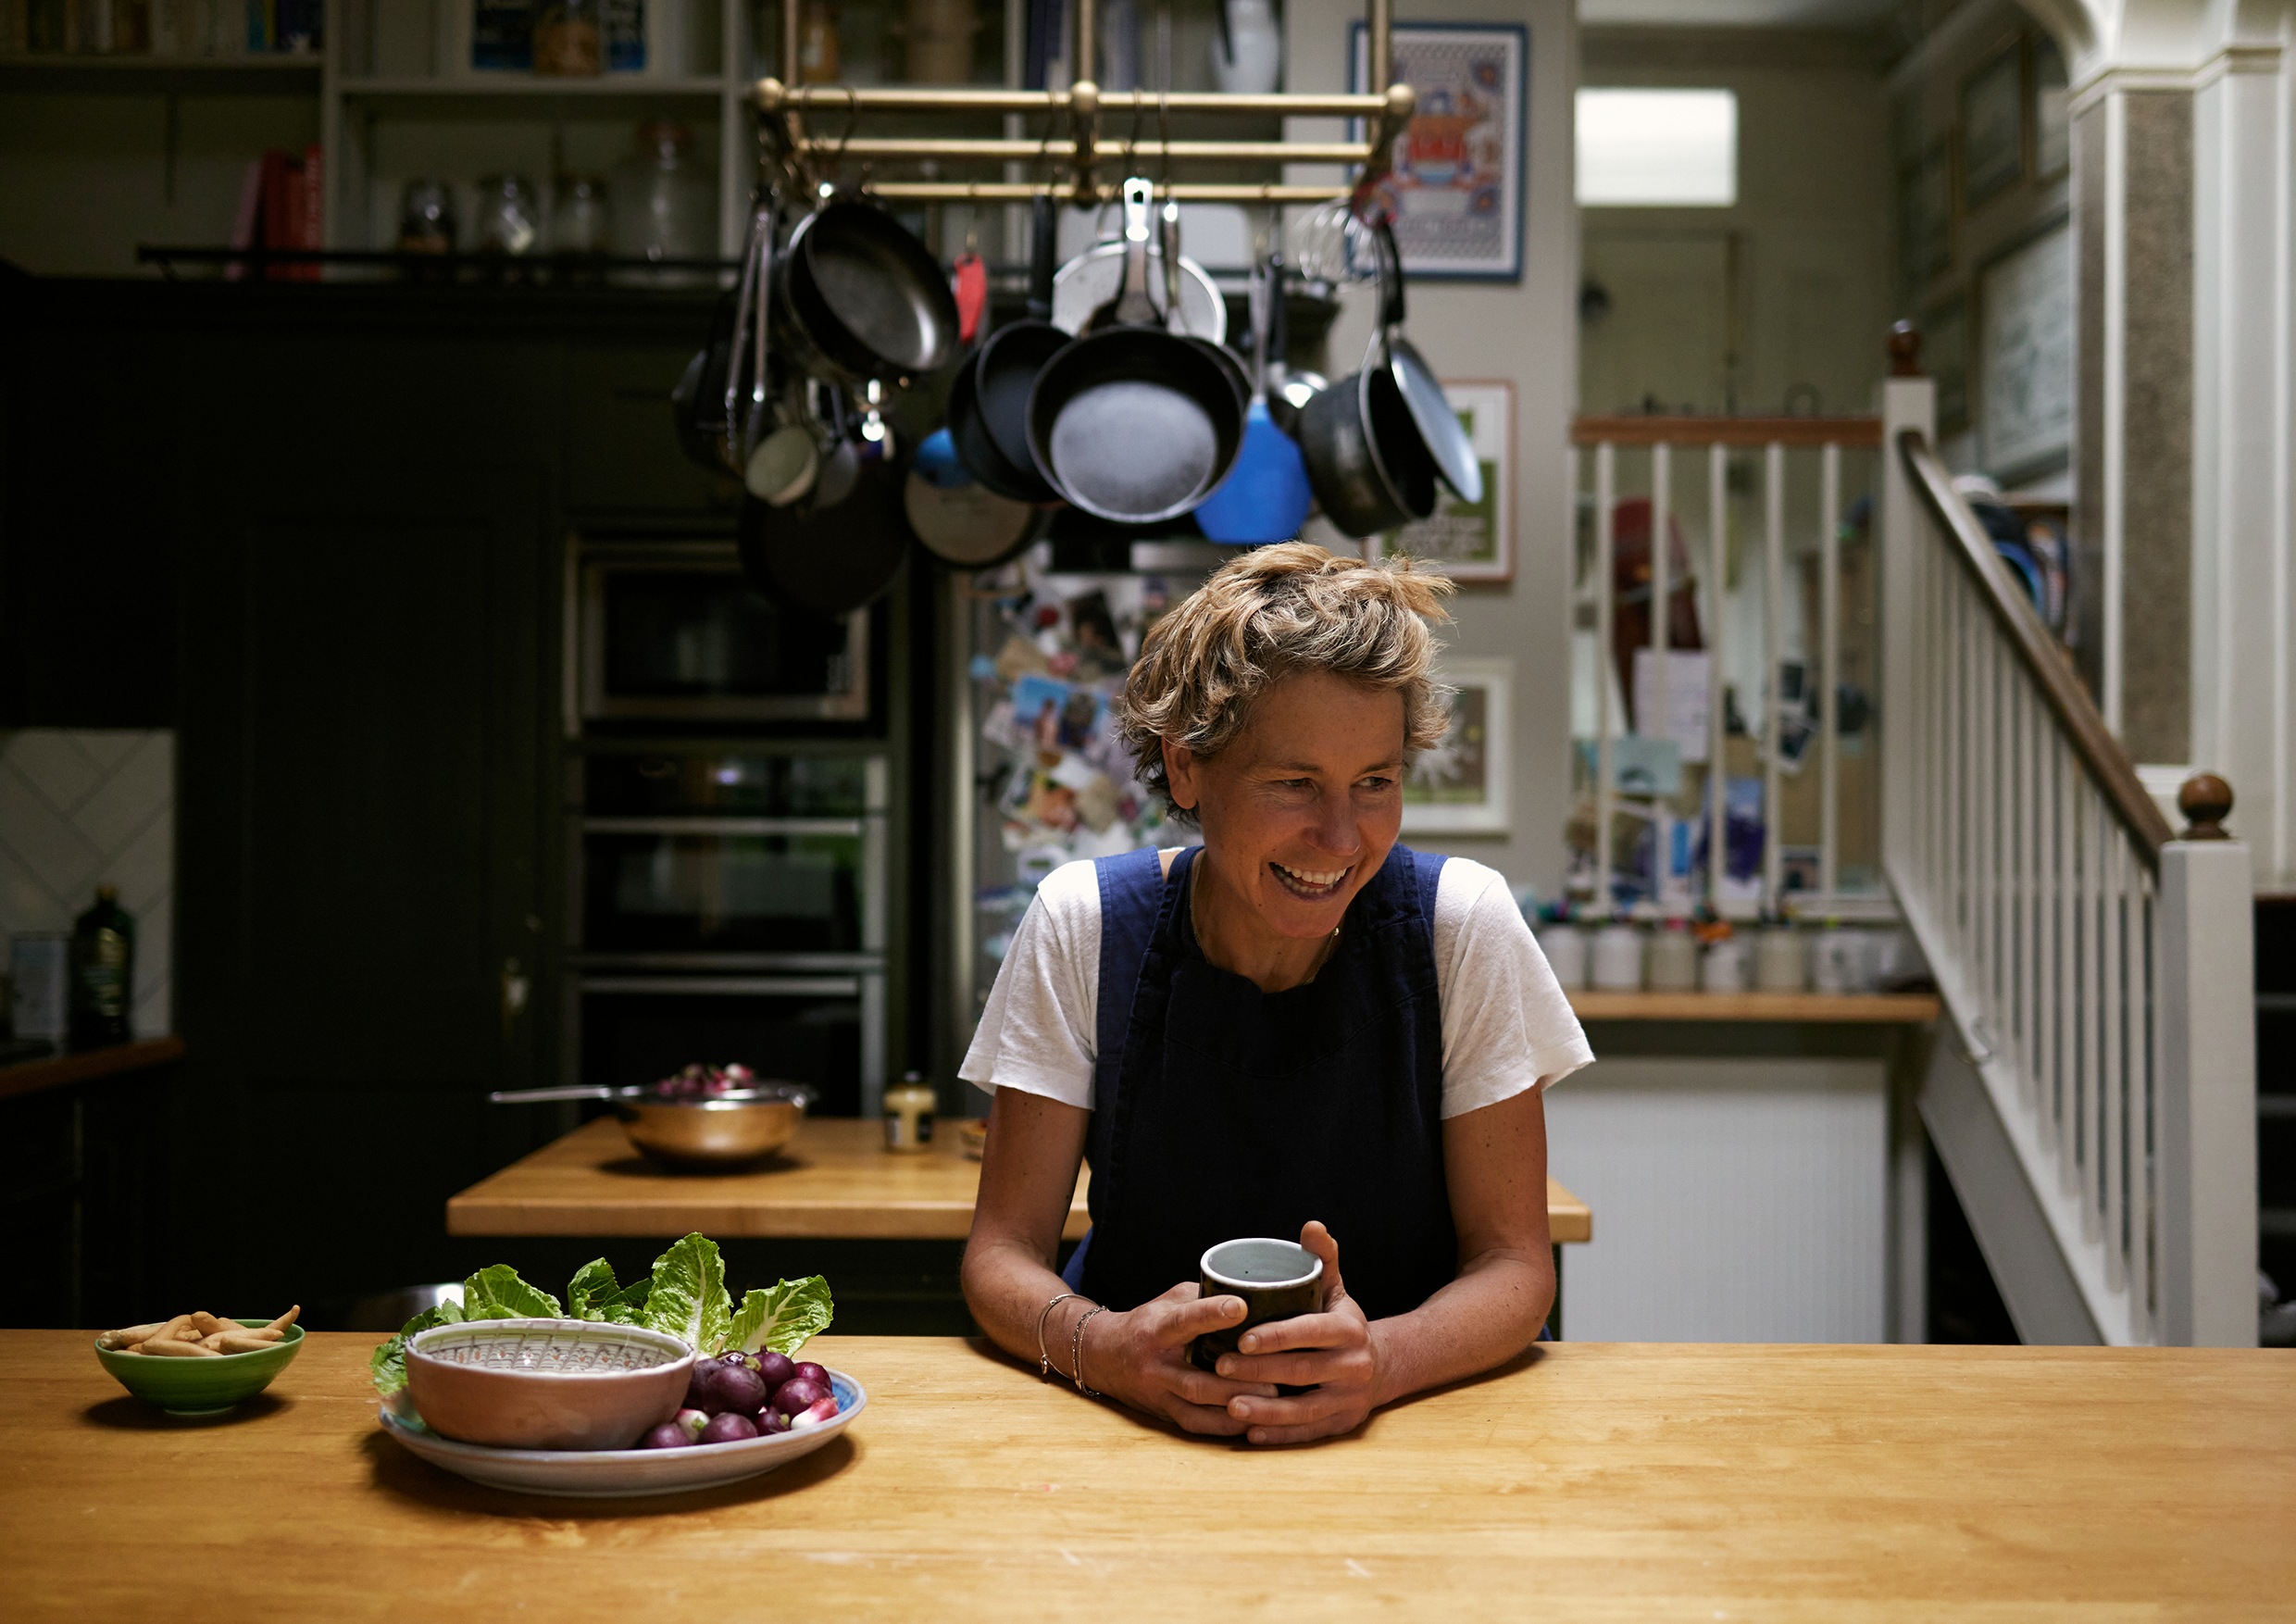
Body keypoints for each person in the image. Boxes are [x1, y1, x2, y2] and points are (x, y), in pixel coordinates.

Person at [960, 543, 1591, 1445]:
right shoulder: (1085, 923)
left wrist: (1380, 1359)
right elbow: (1000, 1255)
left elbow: (1516, 1265)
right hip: (1127, 1437)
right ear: (1185, 766)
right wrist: (1102, 1349)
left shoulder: (1460, 925)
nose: (1339, 835)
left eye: (1374, 781)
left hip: (1404, 1437)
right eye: (1293, 782)